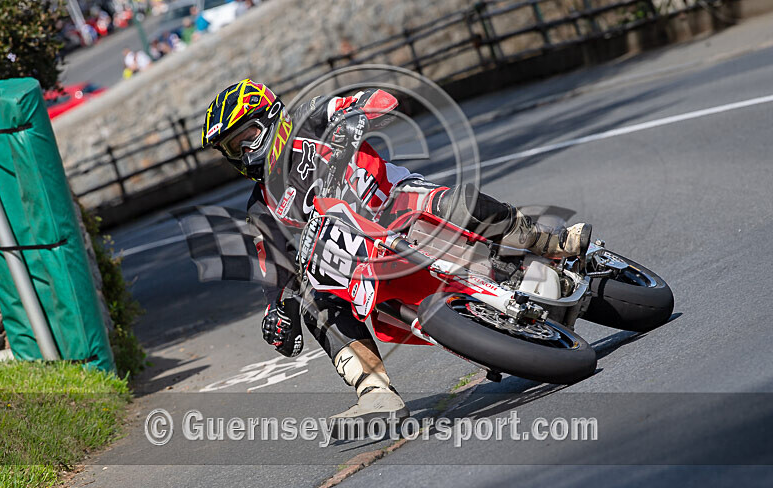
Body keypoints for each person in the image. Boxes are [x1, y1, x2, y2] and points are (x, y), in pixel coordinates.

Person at [201, 79, 591, 426]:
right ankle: (373, 391)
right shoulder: (260, 206)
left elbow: (364, 101)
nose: (242, 153)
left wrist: (366, 110)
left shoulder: (308, 118)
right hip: (355, 261)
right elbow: (274, 264)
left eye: (244, 137)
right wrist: (276, 312)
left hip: (395, 204)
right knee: (311, 300)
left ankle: (548, 240)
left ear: (271, 118)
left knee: (456, 203)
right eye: (231, 149)